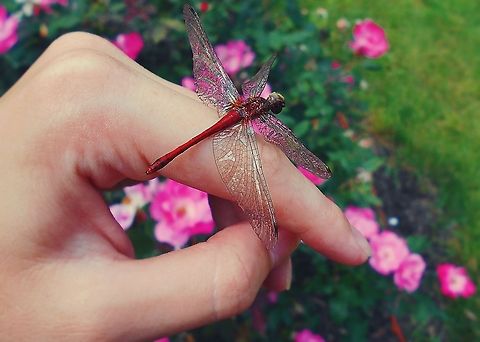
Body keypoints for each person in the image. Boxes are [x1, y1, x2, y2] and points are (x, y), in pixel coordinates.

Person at [0, 32, 371, 340]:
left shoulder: (239, 99)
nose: (272, 103)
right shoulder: (256, 126)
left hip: (224, 118)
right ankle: (165, 160)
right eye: (273, 103)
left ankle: (165, 159)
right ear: (268, 109)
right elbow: (294, 154)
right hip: (227, 128)